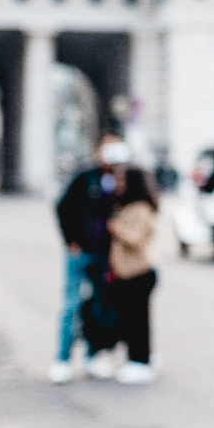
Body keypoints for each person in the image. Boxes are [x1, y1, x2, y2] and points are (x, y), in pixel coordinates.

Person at [51, 134, 128, 384]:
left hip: (104, 254)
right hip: (80, 251)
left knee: (98, 305)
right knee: (71, 306)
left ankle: (93, 355)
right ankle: (62, 359)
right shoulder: (85, 178)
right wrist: (70, 240)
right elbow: (63, 206)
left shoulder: (120, 181)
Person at [100, 166, 160, 384]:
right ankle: (137, 358)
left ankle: (140, 361)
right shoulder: (125, 206)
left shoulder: (141, 208)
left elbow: (136, 240)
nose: (118, 185)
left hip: (139, 272)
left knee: (138, 321)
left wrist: (117, 230)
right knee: (131, 319)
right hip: (125, 273)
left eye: (122, 181)